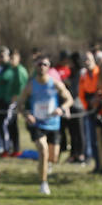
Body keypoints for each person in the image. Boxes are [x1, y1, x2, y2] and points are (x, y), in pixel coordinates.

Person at [17, 55, 73, 195]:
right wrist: (27, 115)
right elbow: (19, 105)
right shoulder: (30, 85)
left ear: (49, 67)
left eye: (45, 64)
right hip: (37, 123)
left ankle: (46, 164)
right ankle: (43, 183)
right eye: (39, 64)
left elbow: (69, 99)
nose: (42, 67)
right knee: (43, 149)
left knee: (53, 157)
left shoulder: (55, 83)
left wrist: (61, 108)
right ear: (35, 67)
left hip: (53, 124)